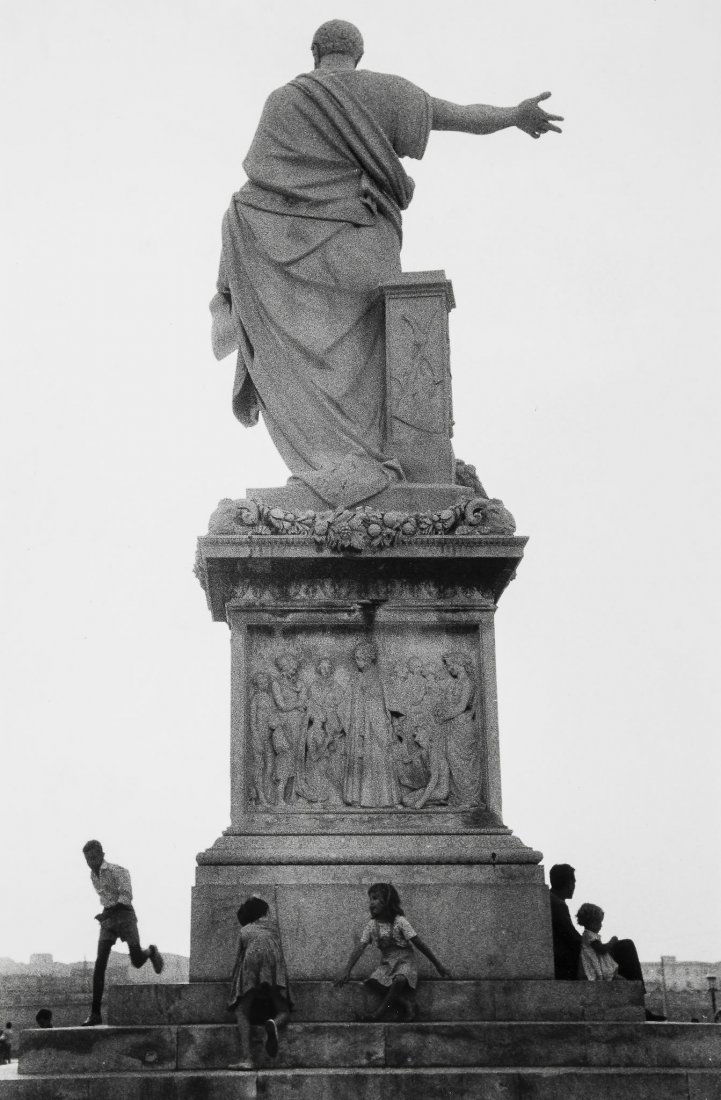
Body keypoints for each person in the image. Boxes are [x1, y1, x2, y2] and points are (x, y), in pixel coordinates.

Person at [211, 19, 563, 505]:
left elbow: (259, 185)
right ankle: (376, 463)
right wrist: (514, 115)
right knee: (373, 357)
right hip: (364, 245)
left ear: (314, 52)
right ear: (358, 54)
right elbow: (460, 116)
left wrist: (238, 243)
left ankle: (335, 465)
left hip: (292, 251)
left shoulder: (284, 101)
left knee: (309, 362)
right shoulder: (387, 91)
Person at [548, 863, 665, 1021]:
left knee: (623, 948)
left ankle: (638, 1004)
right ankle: (639, 1004)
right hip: (579, 960)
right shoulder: (557, 904)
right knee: (626, 947)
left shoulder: (553, 901)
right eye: (573, 881)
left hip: (572, 957)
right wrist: (598, 945)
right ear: (568, 883)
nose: (574, 886)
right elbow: (573, 939)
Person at [335, 882, 449, 1020]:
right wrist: (347, 970)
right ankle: (406, 1003)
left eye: (375, 898)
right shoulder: (371, 925)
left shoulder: (400, 922)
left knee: (399, 979)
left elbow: (419, 944)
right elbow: (360, 947)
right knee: (372, 982)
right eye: (370, 899)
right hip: (387, 963)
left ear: (388, 901)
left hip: (405, 962)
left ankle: (377, 1014)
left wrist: (438, 965)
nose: (371, 903)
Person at [81, 839, 164, 1026]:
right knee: (100, 964)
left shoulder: (118, 871)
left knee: (137, 961)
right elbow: (106, 899)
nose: (91, 863)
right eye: (88, 860)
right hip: (108, 919)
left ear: (102, 855)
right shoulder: (93, 875)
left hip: (125, 915)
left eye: (94, 858)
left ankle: (151, 951)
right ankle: (95, 1013)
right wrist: (106, 915)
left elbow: (126, 897)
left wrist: (108, 913)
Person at [227, 895, 291, 1070]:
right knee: (283, 1010)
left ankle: (247, 1059)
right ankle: (274, 1023)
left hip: (251, 966)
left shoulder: (244, 931)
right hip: (272, 968)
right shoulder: (273, 929)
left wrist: (235, 985)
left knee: (242, 1011)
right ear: (263, 913)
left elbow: (238, 960)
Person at [575, 903, 619, 981]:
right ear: (591, 922)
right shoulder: (589, 935)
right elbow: (601, 949)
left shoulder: (588, 935)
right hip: (592, 963)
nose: (601, 925)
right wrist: (612, 941)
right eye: (598, 922)